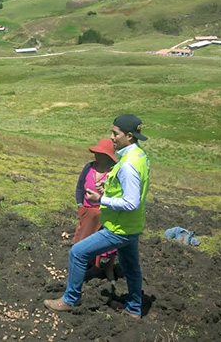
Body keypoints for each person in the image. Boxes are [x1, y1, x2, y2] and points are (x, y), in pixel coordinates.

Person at [44, 114, 150, 319]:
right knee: (131, 268)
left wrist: (102, 199)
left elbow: (131, 202)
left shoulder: (128, 165)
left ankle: (70, 299)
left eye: (115, 133)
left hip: (120, 227)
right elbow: (130, 189)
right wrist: (109, 187)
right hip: (133, 225)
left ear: (129, 136)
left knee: (77, 252)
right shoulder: (139, 156)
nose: (111, 137)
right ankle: (135, 309)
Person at [73, 138, 118, 283]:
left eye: (101, 154)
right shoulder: (88, 167)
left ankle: (108, 269)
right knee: (82, 240)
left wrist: (104, 195)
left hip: (106, 212)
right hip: (87, 212)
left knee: (107, 245)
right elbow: (80, 187)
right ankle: (85, 268)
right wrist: (80, 205)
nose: (97, 156)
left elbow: (118, 194)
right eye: (96, 153)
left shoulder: (114, 172)